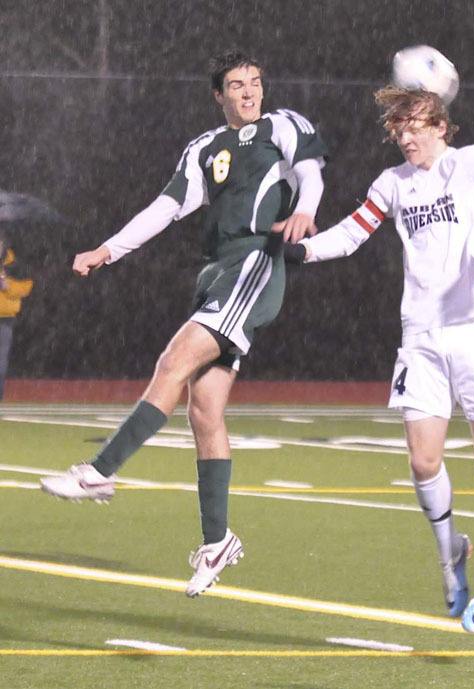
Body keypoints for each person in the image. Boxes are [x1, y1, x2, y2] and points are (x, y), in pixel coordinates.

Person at [40, 50, 327, 597]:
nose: (250, 92)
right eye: (237, 85)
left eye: (256, 82)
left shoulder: (283, 126)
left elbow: (310, 173)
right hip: (216, 271)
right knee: (204, 411)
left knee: (172, 363)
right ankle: (216, 541)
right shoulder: (204, 148)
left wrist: (307, 208)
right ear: (218, 95)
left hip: (254, 262)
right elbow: (166, 207)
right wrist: (109, 249)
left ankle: (100, 471)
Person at [289, 86, 474, 633]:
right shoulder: (392, 183)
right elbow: (353, 233)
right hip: (422, 339)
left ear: (440, 126)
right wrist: (303, 250)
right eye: (398, 129)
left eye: (414, 126)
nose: (405, 137)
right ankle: (450, 554)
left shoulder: (469, 164)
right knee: (423, 462)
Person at [0, 233, 34, 400]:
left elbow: (26, 287)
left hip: (4, 319)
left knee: (1, 363)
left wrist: (7, 286)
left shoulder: (15, 265)